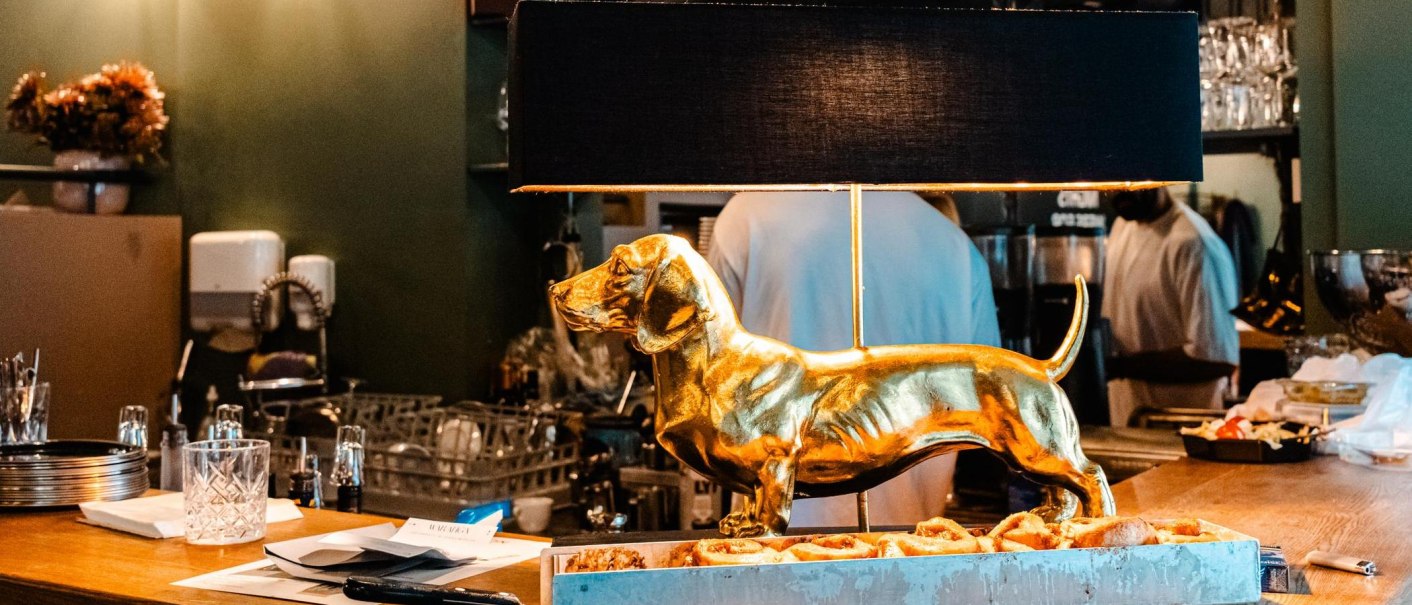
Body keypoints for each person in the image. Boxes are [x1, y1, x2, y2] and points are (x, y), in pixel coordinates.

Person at [706, 190, 1000, 528]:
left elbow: (709, 375)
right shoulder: (956, 247)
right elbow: (983, 399)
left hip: (775, 540)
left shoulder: (747, 216)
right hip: (914, 542)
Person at [1102, 187, 1239, 427]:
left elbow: (1216, 359)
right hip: (1129, 426)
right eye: (1112, 183)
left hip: (1183, 435)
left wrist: (1121, 367)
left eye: (1130, 180)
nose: (1118, 191)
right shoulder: (1122, 228)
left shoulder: (1195, 244)